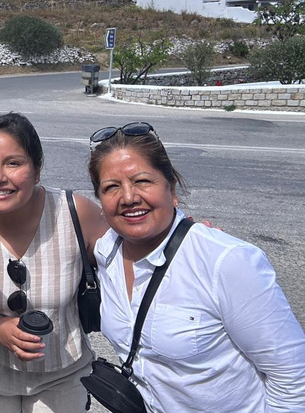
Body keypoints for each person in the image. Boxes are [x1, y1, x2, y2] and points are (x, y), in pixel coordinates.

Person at [87, 121, 305, 413]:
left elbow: (292, 376)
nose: (128, 197)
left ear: (171, 188)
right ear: (100, 200)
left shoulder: (226, 262)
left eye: (142, 181)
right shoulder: (107, 252)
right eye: (112, 187)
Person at [0, 112, 109, 413]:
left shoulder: (77, 214)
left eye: (13, 163)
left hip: (64, 374)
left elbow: (132, 260)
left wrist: (180, 235)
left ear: (37, 169)